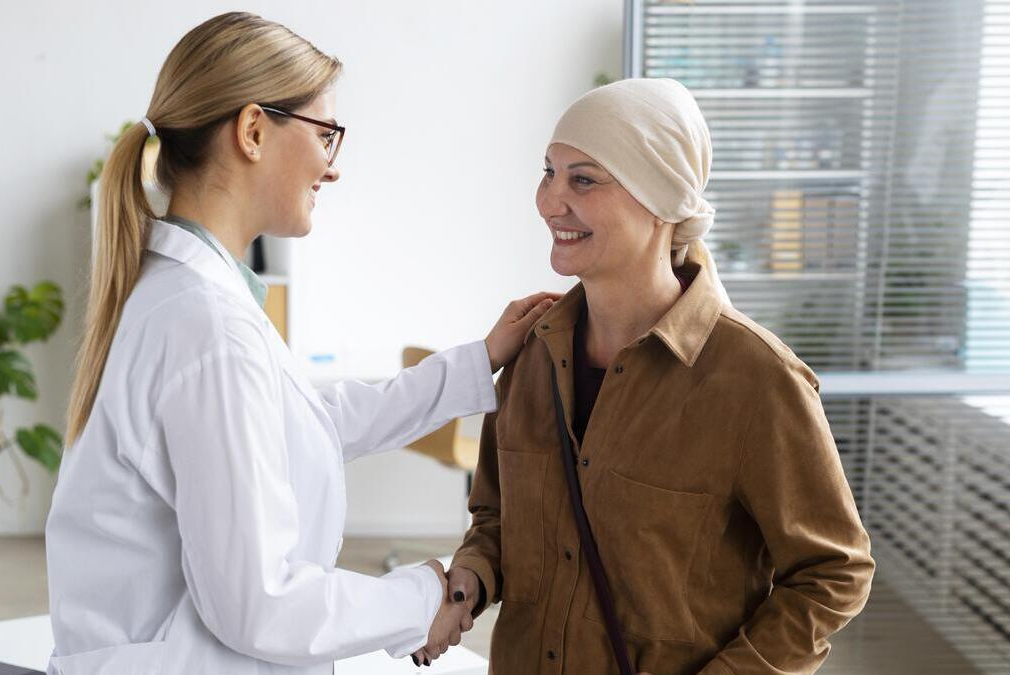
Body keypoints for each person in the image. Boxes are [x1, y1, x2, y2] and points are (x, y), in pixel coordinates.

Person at [45, 12, 555, 674]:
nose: (332, 167)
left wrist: (478, 359)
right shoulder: (208, 326)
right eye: (326, 135)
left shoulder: (183, 298)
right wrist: (424, 594)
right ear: (253, 131)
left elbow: (306, 424)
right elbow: (261, 604)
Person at [441, 78, 875, 675]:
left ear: (663, 200)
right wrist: (472, 576)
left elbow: (833, 572)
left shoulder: (755, 379)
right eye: (548, 172)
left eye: (583, 179)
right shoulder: (534, 352)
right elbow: (494, 516)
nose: (548, 201)